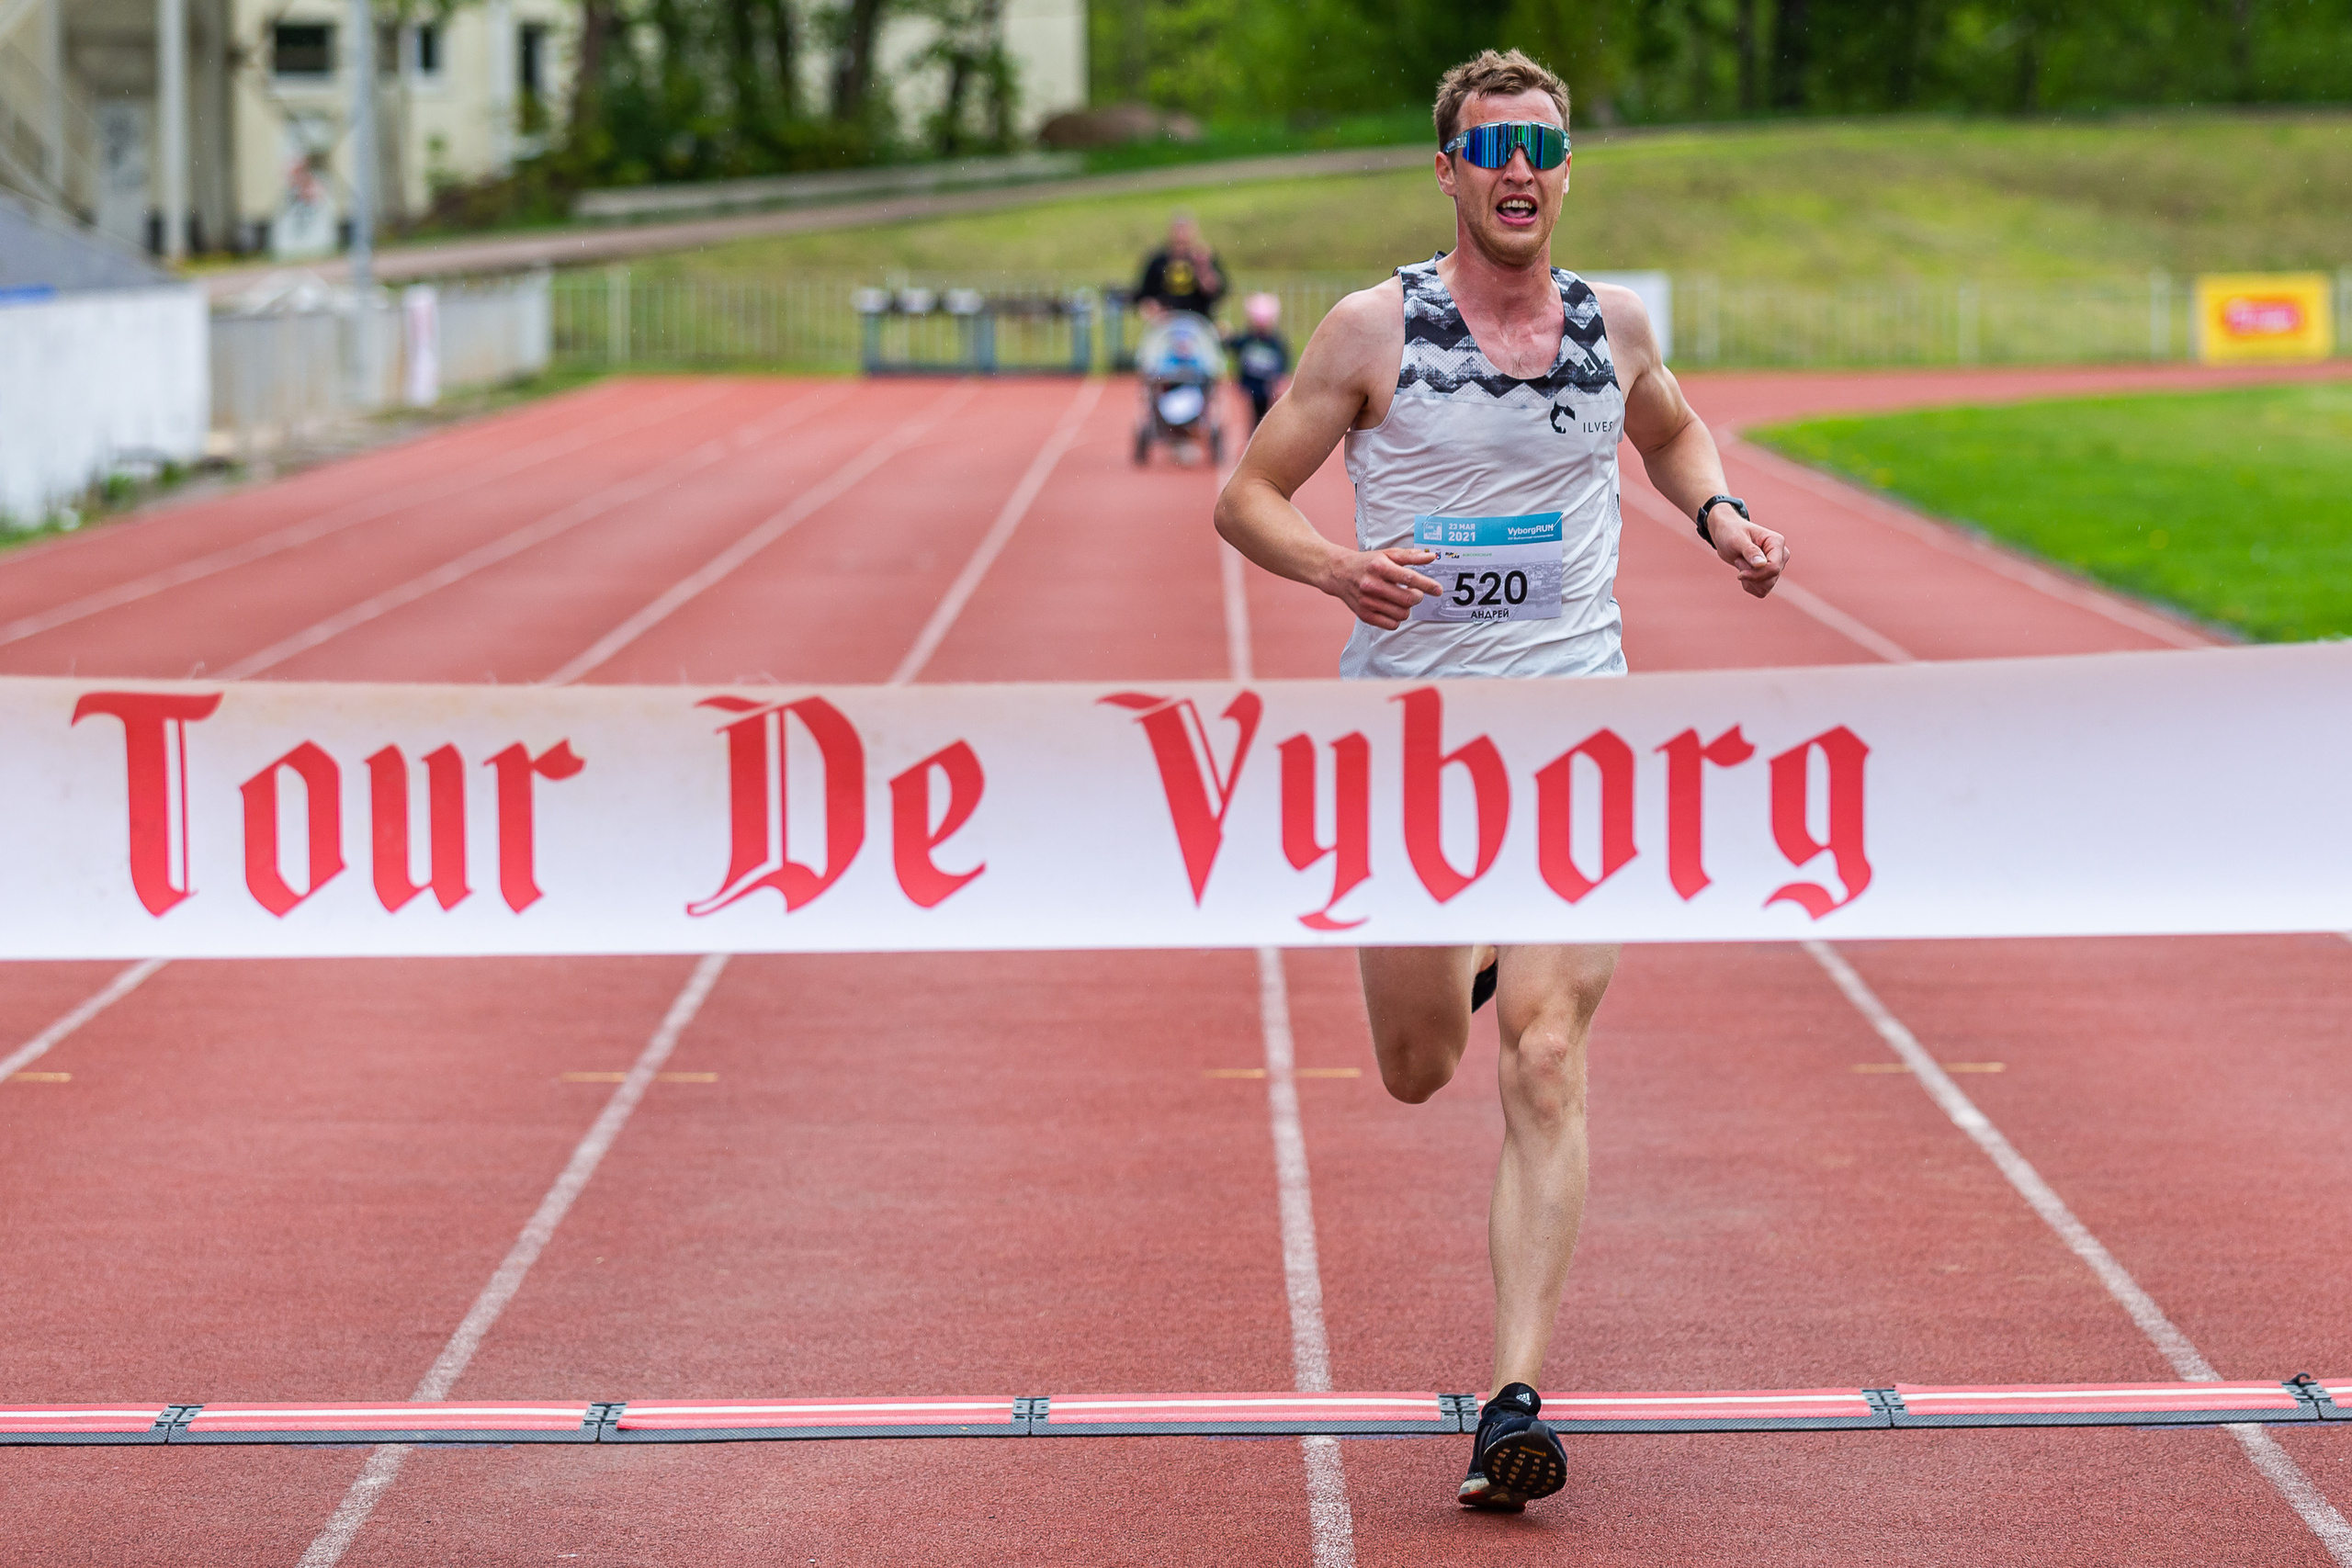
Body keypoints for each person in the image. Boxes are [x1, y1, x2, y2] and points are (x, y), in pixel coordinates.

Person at [1212, 49, 1789, 1513]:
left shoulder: (1616, 324)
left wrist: (1720, 511)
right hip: (1413, 748)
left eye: (1540, 146)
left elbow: (1669, 427)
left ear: (1566, 170)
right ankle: (1462, 954)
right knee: (1419, 1066)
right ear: (1449, 171)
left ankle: (1512, 1400)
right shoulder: (1371, 330)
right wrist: (1338, 566)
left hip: (1578, 739)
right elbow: (1246, 496)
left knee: (1545, 1048)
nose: (1517, 169)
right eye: (1491, 148)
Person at [1135, 210, 1227, 320]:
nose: (1181, 235)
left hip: (1199, 320)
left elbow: (1217, 292)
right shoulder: (1158, 261)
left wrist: (1203, 268)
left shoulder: (1203, 258)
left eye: (1185, 230)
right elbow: (1143, 295)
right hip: (1165, 322)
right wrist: (1152, 306)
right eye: (1178, 229)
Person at [1226, 292, 1291, 430]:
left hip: (1266, 384)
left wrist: (1280, 378)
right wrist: (1226, 337)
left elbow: (1283, 360)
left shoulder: (1275, 342)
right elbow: (1235, 346)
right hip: (1250, 383)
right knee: (1254, 414)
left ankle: (1262, 433)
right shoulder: (1248, 339)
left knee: (1264, 413)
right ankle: (1256, 434)